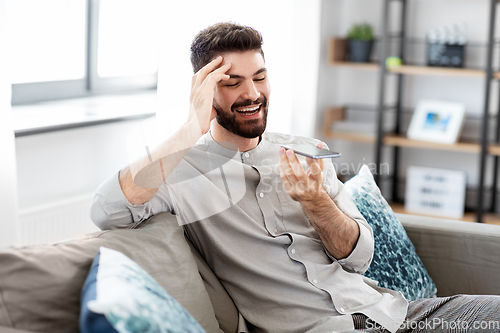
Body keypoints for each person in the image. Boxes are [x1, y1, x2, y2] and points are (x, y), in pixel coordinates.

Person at [90, 22, 500, 333]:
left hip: (397, 314)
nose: (252, 93)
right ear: (203, 90)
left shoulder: (306, 149)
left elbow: (359, 258)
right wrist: (189, 126)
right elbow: (108, 210)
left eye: (260, 77)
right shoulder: (181, 172)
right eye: (232, 83)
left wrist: (316, 203)